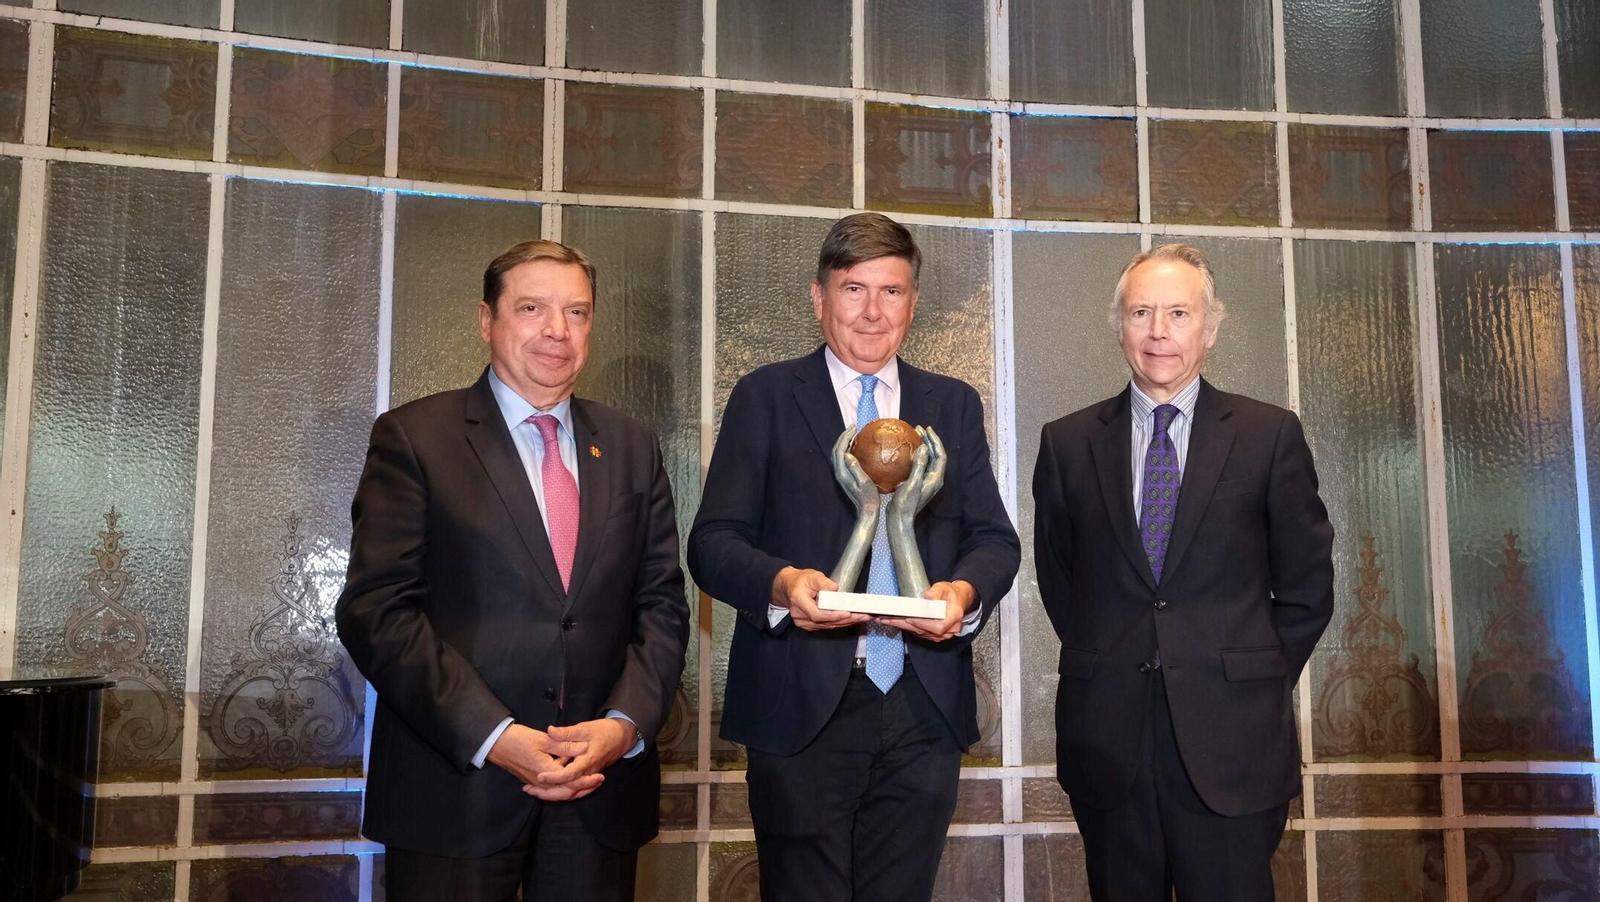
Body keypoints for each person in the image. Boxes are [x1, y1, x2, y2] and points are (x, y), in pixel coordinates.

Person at [336, 239, 689, 901]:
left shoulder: (632, 447)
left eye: (576, 312)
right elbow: (376, 611)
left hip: (598, 792)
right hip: (454, 791)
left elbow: (662, 606)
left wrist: (623, 726)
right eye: (532, 308)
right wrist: (496, 736)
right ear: (486, 320)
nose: (558, 330)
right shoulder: (416, 437)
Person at [688, 212, 1020, 901]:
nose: (873, 312)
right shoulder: (766, 397)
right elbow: (712, 544)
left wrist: (962, 596)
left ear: (913, 302)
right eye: (854, 289)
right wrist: (782, 584)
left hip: (923, 704)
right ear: (819, 297)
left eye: (891, 292)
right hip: (799, 703)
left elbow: (995, 541)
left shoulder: (953, 405)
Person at [1032, 243, 1334, 900]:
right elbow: (1061, 581)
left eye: (1178, 313)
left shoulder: (1268, 435)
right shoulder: (1068, 443)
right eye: (1140, 312)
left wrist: (1247, 677)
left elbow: (1308, 588)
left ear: (1211, 329)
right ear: (1120, 327)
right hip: (1109, 742)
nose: (1158, 332)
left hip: (1234, 742)